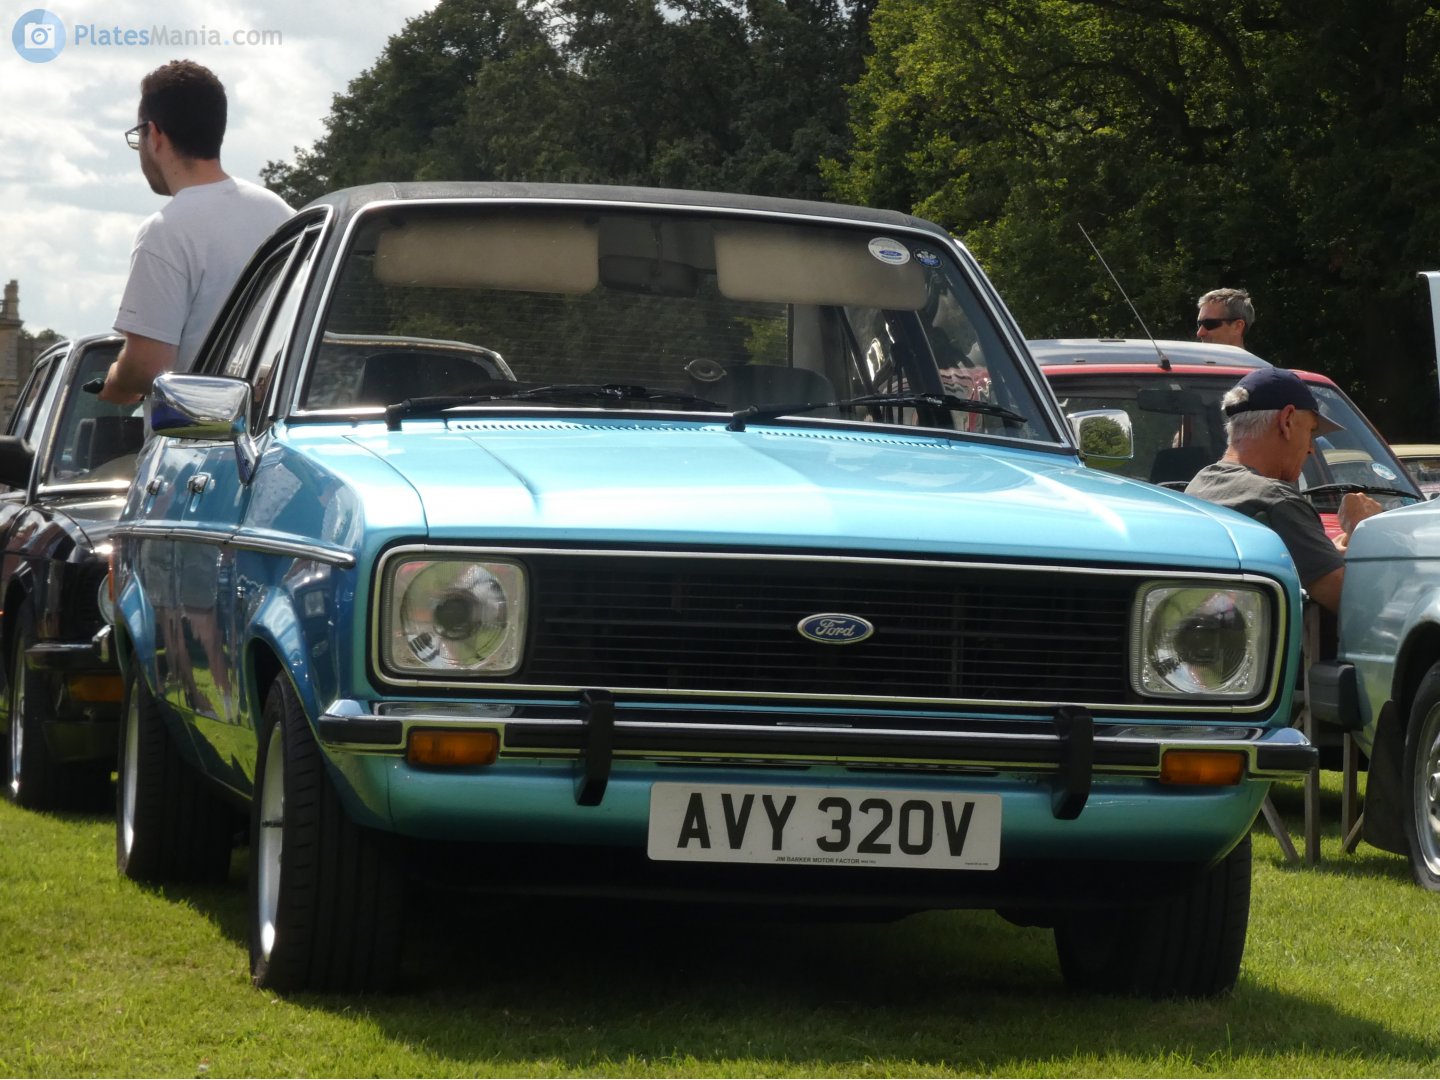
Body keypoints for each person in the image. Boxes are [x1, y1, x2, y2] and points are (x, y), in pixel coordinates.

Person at [100, 60, 292, 404]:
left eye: (138, 137)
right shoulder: (283, 214)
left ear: (154, 135)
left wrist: (115, 380)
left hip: (199, 444)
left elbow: (149, 368)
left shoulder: (166, 230)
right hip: (274, 435)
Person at [1185, 367, 1381, 614]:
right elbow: (1356, 604)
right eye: (1310, 432)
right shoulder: (1277, 501)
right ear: (1287, 420)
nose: (1311, 449)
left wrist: (1331, 552)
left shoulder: (1199, 485)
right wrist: (1367, 529)